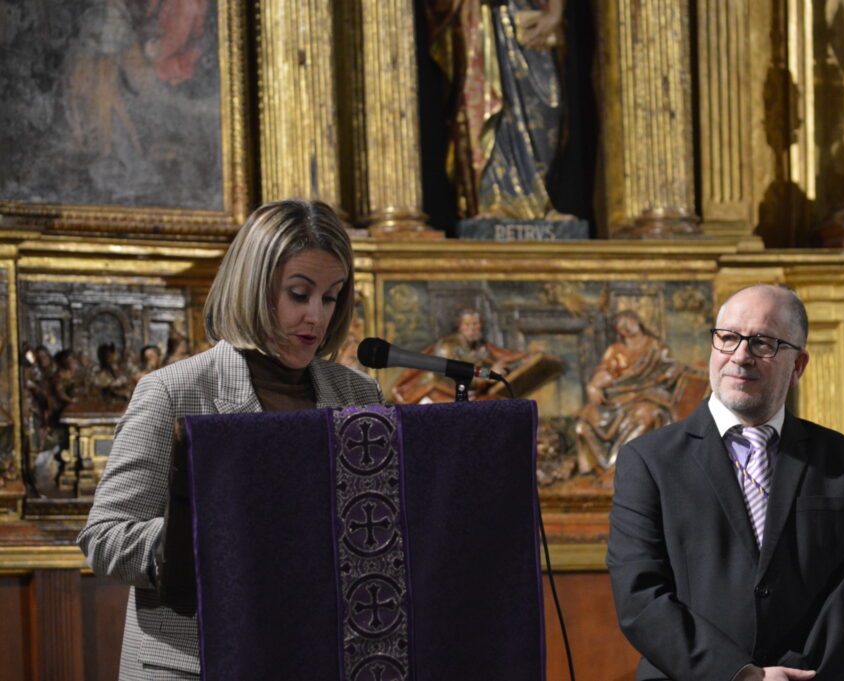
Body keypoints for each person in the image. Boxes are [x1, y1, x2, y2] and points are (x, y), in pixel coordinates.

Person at [77, 199, 384, 680]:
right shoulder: (172, 391)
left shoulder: (359, 394)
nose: (317, 317)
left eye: (331, 297)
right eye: (299, 294)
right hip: (193, 664)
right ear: (253, 288)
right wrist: (198, 536)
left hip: (315, 657)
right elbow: (103, 537)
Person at [606, 284, 844, 681]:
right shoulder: (648, 461)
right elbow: (640, 597)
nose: (740, 356)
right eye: (727, 338)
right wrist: (742, 676)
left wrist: (799, 673)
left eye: (763, 343)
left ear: (798, 366)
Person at [426, 0, 568, 219]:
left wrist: (555, 13)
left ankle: (541, 202)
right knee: (490, 108)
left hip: (529, 14)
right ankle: (494, 198)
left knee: (545, 106)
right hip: (484, 21)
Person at [574, 310, 686, 475]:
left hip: (644, 396)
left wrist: (665, 376)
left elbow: (671, 368)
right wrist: (593, 386)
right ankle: (601, 466)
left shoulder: (655, 347)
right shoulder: (615, 350)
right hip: (615, 399)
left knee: (648, 415)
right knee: (584, 421)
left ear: (637, 321)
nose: (625, 328)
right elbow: (605, 372)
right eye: (620, 326)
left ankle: (619, 466)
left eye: (627, 323)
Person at [391, 307, 529, 403]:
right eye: (467, 324)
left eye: (476, 324)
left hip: (468, 394)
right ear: (460, 327)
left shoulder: (480, 345)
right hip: (441, 393)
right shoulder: (448, 347)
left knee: (501, 403)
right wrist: (487, 377)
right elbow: (454, 378)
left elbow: (502, 356)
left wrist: (518, 361)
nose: (472, 328)